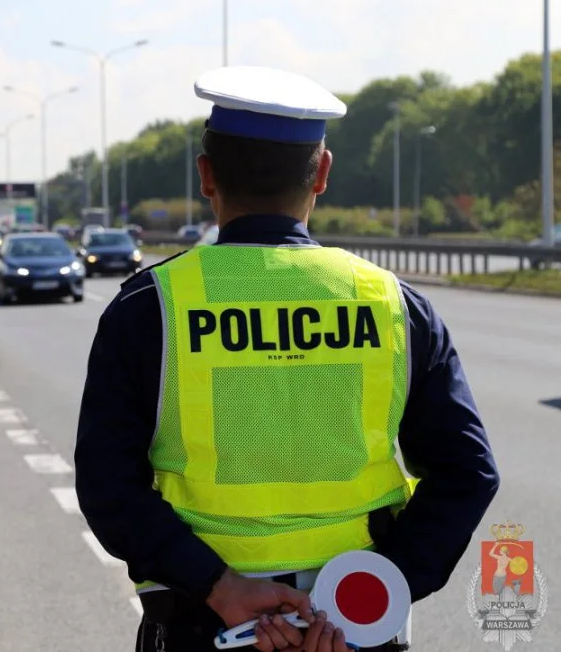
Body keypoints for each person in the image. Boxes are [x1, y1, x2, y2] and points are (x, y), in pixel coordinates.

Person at [74, 66, 501, 652]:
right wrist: (373, 591)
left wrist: (219, 586)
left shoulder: (151, 308)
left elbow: (108, 487)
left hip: (207, 623)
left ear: (205, 175)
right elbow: (467, 471)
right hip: (355, 629)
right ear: (322, 173)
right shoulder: (395, 306)